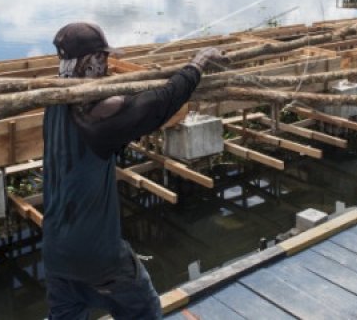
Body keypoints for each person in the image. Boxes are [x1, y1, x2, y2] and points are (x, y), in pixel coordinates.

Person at [42, 22, 227, 320]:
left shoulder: (52, 104)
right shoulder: (97, 117)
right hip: (99, 258)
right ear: (88, 63)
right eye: (102, 59)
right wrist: (196, 65)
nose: (107, 66)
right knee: (145, 310)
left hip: (55, 253)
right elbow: (158, 104)